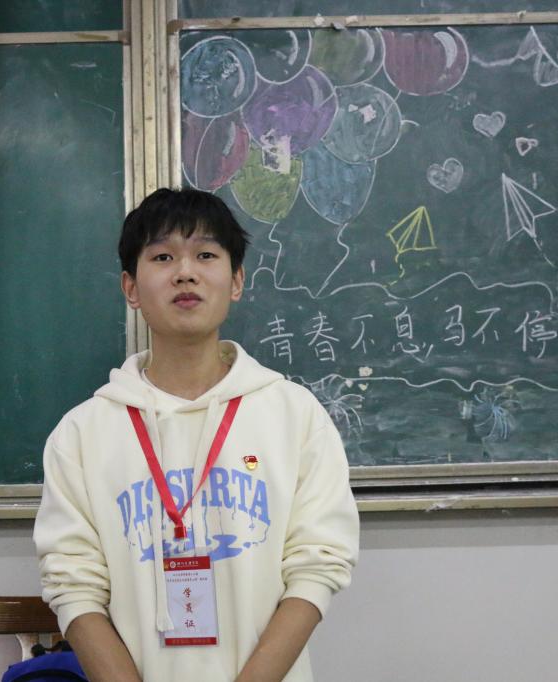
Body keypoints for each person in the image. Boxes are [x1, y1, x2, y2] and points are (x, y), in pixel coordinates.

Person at [33, 187, 359, 681]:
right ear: (131, 288)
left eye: (206, 254)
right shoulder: (81, 433)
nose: (185, 272)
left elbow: (317, 566)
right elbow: (74, 585)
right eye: (162, 257)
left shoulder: (295, 415)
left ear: (236, 280)